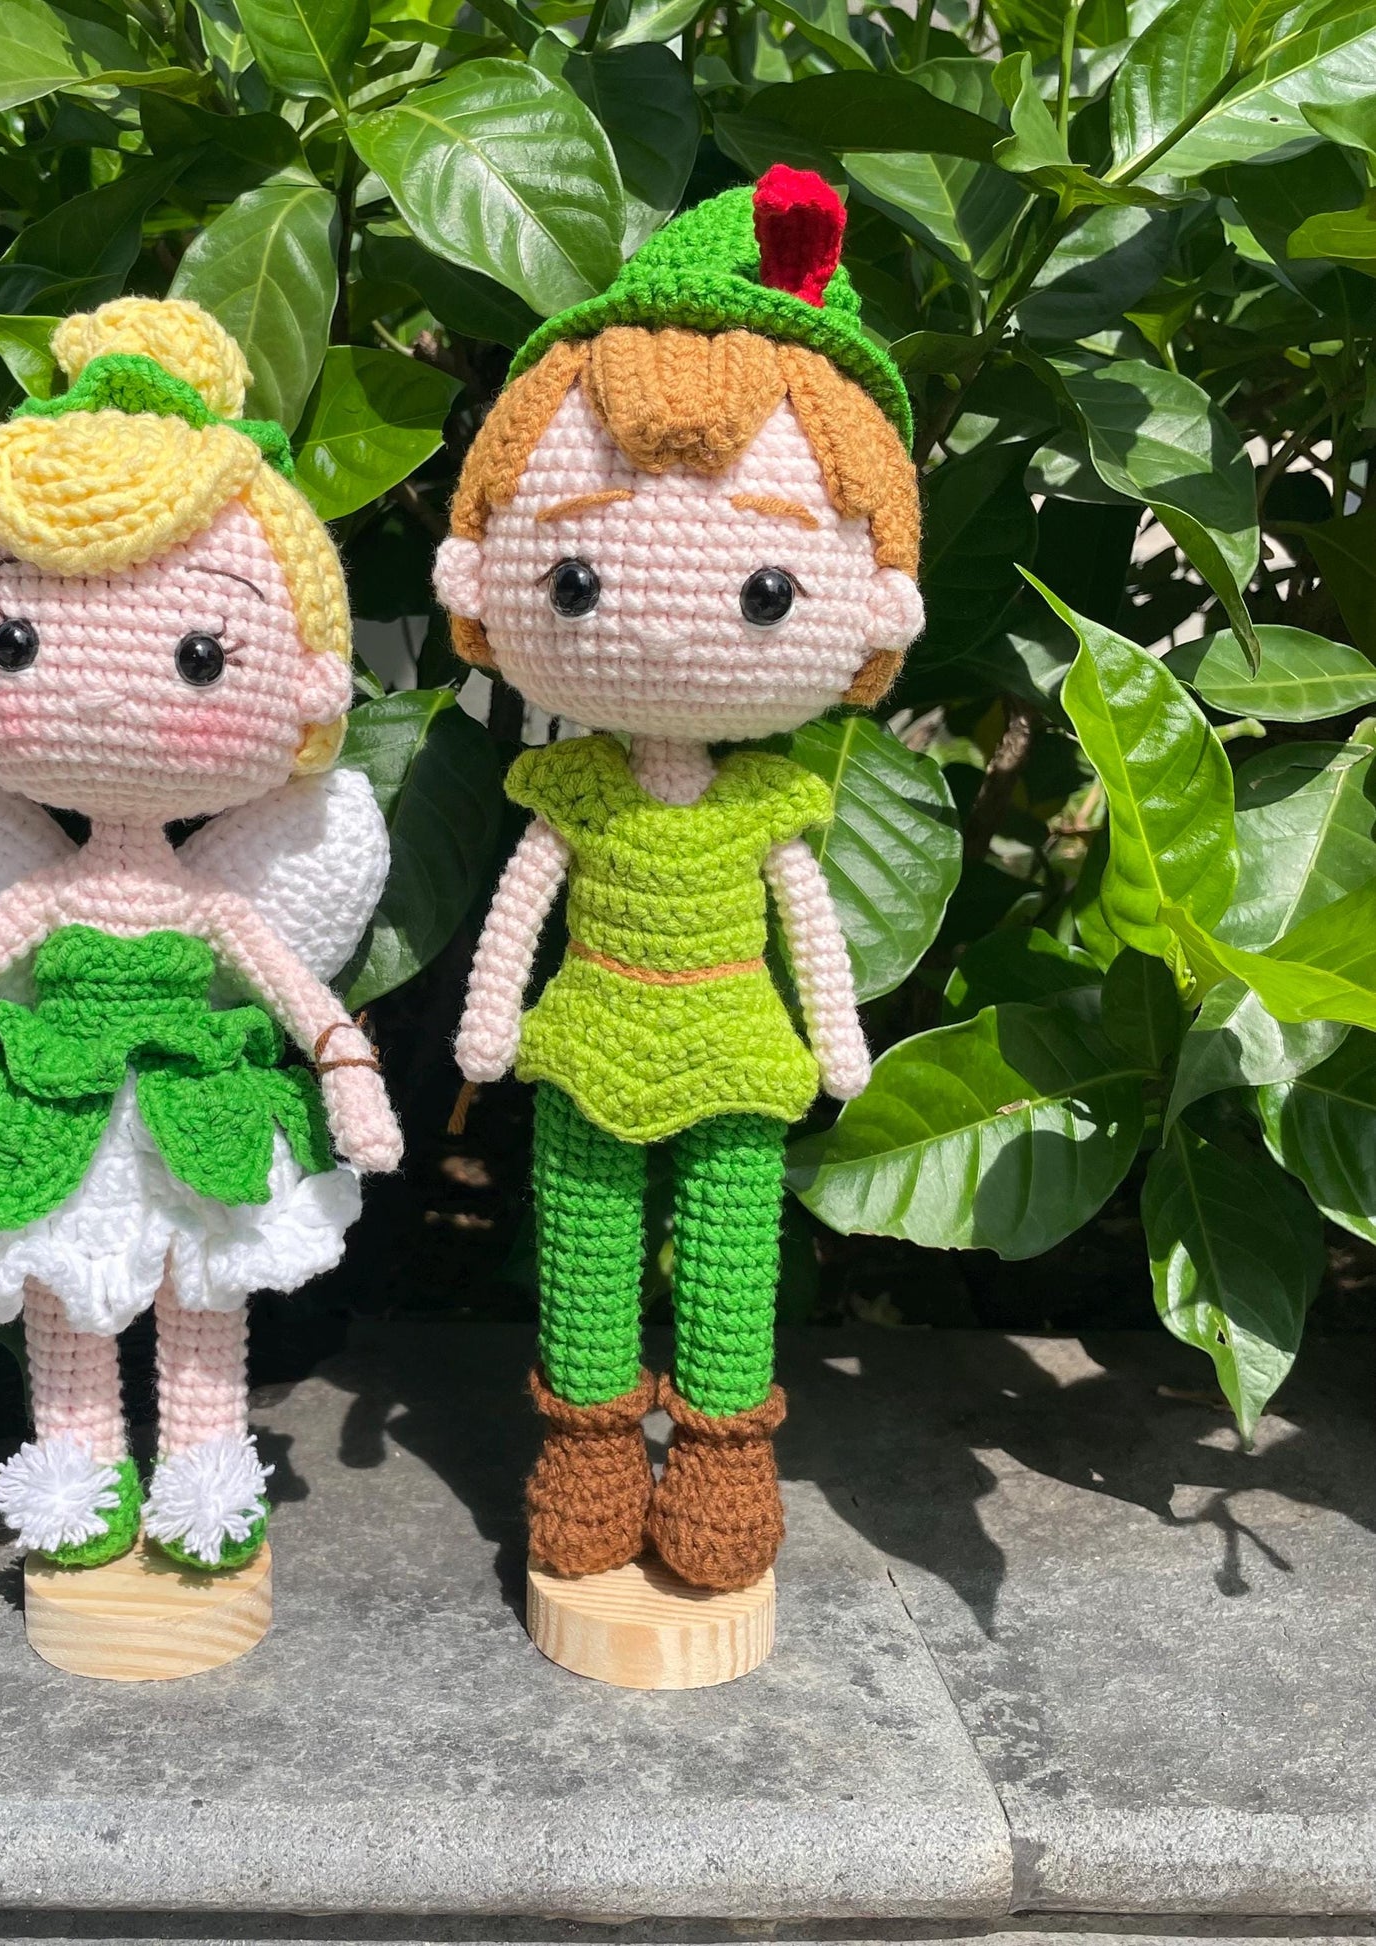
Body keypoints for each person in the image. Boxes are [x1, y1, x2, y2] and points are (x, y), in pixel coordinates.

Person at [0, 298, 401, 1574]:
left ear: (303, 689)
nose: (106, 690)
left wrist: (346, 1067)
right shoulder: (39, 895)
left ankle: (205, 1468)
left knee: (203, 1280)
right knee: (62, 1285)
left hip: (194, 1103)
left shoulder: (213, 898)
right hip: (51, 1106)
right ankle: (75, 1469)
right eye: (13, 639)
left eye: (199, 652)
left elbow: (296, 990)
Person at [435, 168, 924, 1591]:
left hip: (732, 1042)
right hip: (589, 1034)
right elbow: (523, 900)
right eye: (575, 581)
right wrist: (490, 1011)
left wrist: (835, 1030)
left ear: (870, 604)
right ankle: (587, 1448)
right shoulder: (574, 791)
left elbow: (806, 919)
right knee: (583, 1243)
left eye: (767, 590)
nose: (654, 628)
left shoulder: (769, 798)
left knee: (728, 1254)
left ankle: (718, 1455)